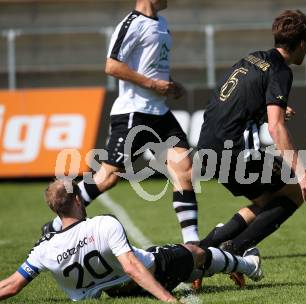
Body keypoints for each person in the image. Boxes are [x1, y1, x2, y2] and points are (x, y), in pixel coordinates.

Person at [42, 0, 200, 244]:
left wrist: (169, 83)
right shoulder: (131, 24)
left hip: (159, 112)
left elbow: (150, 64)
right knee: (108, 177)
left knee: (185, 170)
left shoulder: (162, 23)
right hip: (133, 113)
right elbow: (112, 65)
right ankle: (53, 226)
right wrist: (152, 84)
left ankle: (193, 246)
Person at [195, 10, 306, 287]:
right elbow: (276, 129)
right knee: (294, 192)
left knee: (266, 202)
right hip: (232, 153)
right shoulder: (281, 71)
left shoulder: (253, 58)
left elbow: (234, 101)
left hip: (207, 146)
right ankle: (231, 252)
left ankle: (199, 252)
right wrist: (303, 173)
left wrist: (269, 111)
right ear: (302, 43)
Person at [0, 180, 263, 303]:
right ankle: (249, 265)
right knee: (194, 252)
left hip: (115, 290)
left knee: (181, 262)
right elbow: (131, 267)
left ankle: (227, 254)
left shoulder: (44, 248)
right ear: (78, 200)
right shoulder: (102, 223)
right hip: (151, 272)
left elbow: (11, 286)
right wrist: (165, 298)